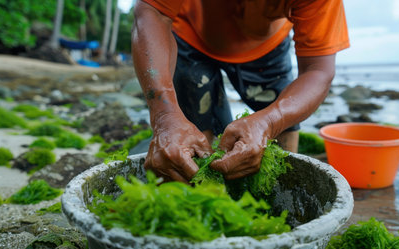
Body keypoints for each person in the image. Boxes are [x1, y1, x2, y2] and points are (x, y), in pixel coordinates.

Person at [132, 0, 349, 183]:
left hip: (267, 44)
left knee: (283, 139)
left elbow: (318, 70)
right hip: (190, 32)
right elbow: (153, 10)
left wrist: (270, 121)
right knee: (193, 138)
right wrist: (164, 115)